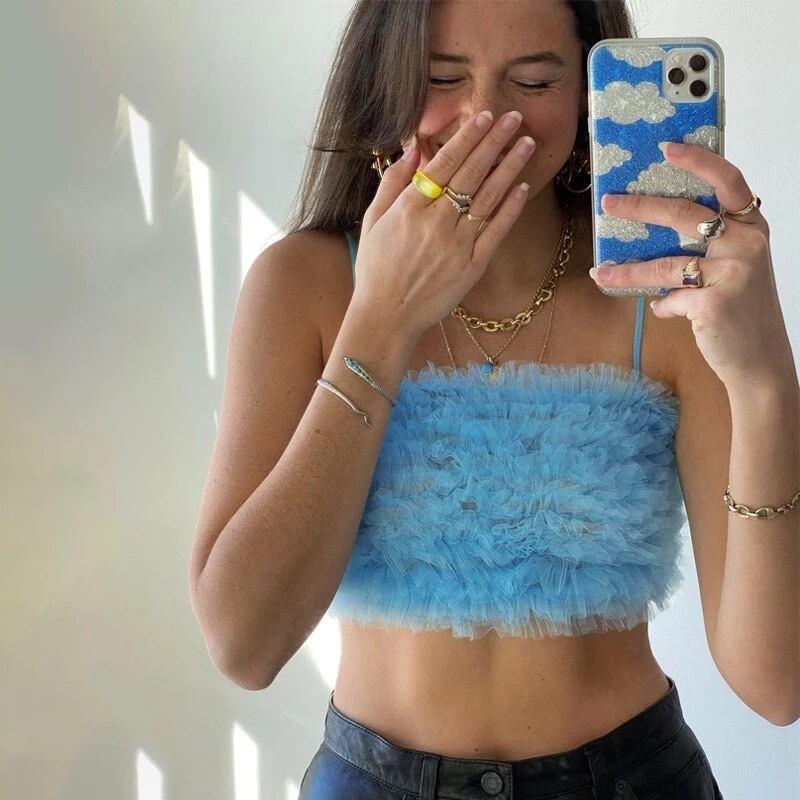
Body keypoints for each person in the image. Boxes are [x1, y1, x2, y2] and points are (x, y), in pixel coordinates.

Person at [189, 1, 799, 798]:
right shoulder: (301, 286)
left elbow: (777, 685)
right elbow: (244, 647)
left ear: (588, 94)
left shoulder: (666, 297)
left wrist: (765, 380)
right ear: (385, 83)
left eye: (535, 81)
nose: (486, 117)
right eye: (442, 78)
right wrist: (382, 321)